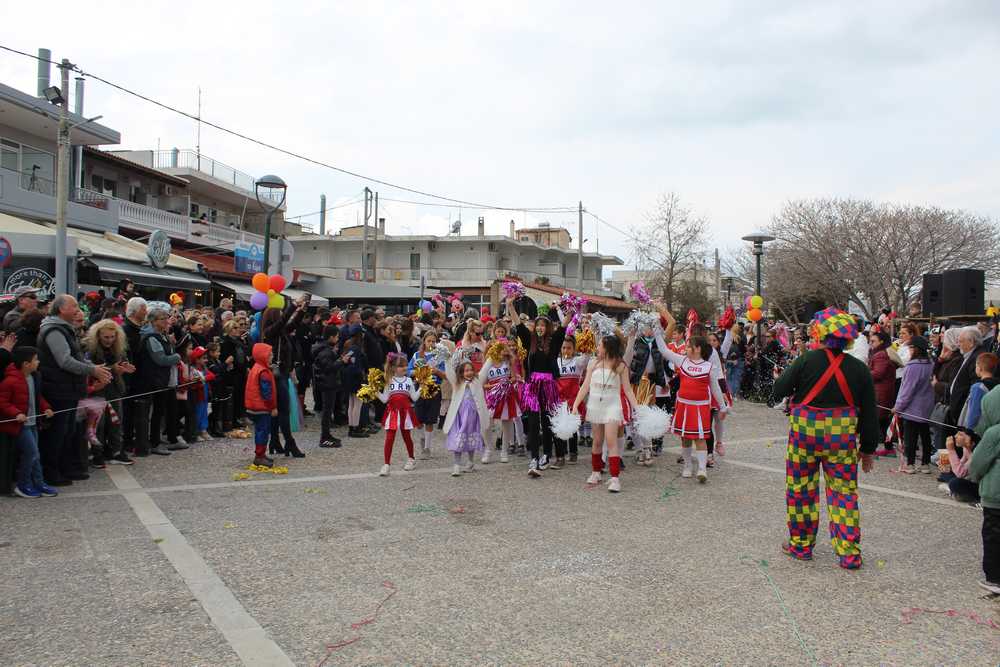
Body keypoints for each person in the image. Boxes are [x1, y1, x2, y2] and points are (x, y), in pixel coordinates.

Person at [771, 307, 879, 570]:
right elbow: (869, 413)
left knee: (800, 489)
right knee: (844, 492)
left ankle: (801, 545)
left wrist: (780, 378)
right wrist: (867, 449)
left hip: (804, 438)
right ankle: (849, 553)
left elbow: (778, 391)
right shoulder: (859, 369)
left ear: (820, 333)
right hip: (841, 440)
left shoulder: (805, 360)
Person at [37, 295, 113, 485]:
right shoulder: (54, 330)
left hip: (68, 388)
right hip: (58, 389)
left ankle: (66, 468)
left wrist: (94, 367)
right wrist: (92, 370)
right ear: (61, 309)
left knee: (68, 431)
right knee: (57, 433)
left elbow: (76, 357)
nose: (78, 309)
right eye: (74, 306)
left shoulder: (65, 328)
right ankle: (52, 472)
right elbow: (64, 361)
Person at [659, 310, 728, 483]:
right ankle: (688, 465)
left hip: (701, 407)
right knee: (685, 437)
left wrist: (722, 406)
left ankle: (702, 469)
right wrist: (656, 332)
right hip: (684, 405)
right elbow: (663, 350)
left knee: (700, 437)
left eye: (689, 346)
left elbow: (715, 388)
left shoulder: (708, 367)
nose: (686, 349)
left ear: (698, 349)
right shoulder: (682, 360)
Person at [506, 296, 568, 477]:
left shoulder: (554, 342)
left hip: (548, 385)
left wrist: (570, 309)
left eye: (543, 325)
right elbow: (518, 325)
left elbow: (564, 326)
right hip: (532, 385)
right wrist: (510, 305)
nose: (540, 328)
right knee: (533, 422)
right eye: (538, 325)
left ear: (548, 328)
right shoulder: (529, 340)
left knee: (547, 421)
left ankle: (547, 455)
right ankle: (534, 457)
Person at [574, 334, 638, 493]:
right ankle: (596, 472)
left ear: (607, 348)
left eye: (600, 345)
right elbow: (585, 386)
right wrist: (575, 405)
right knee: (597, 441)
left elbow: (628, 390)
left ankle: (615, 478)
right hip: (595, 405)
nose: (597, 348)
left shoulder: (621, 366)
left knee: (611, 441)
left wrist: (638, 407)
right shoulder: (593, 363)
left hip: (612, 406)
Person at [0, 346, 57, 498]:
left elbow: (37, 397)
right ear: (26, 364)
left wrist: (46, 407)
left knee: (35, 454)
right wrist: (16, 413)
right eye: (36, 360)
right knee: (31, 453)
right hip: (20, 426)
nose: (38, 362)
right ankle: (23, 485)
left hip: (32, 423)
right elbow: (2, 402)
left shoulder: (33, 377)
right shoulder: (10, 381)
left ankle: (39, 483)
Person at [81, 319, 135, 467]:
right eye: (106, 337)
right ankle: (97, 454)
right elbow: (90, 369)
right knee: (98, 424)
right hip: (96, 389)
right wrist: (113, 368)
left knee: (116, 421)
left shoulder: (118, 347)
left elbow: (121, 362)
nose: (109, 340)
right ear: (98, 335)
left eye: (112, 337)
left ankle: (116, 451)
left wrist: (124, 366)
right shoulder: (88, 348)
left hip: (114, 388)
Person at [260, 300, 307, 458]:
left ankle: (274, 441)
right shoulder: (270, 332)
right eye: (279, 314)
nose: (282, 317)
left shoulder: (280, 332)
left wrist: (302, 310)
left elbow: (293, 324)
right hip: (276, 374)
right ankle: (290, 443)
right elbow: (283, 322)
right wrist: (292, 306)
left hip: (282, 373)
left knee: (278, 410)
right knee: (284, 410)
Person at [136, 307, 181, 457]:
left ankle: (156, 439)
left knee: (159, 411)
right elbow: (160, 359)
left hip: (161, 379)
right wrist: (176, 357)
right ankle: (154, 442)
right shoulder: (151, 337)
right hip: (153, 380)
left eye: (166, 318)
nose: (166, 321)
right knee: (155, 412)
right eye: (163, 319)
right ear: (153, 321)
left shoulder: (161, 335)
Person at [968, 386, 1000, 594]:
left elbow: (978, 463)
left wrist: (975, 477)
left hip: (995, 494)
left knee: (993, 534)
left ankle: (994, 578)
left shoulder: (994, 433)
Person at [443, 357, 492, 477]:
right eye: (466, 370)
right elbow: (449, 373)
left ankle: (470, 462)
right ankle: (456, 465)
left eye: (471, 370)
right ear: (461, 373)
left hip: (472, 418)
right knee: (458, 440)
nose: (469, 372)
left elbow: (485, 369)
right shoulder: (457, 383)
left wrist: (491, 357)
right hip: (460, 418)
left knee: (471, 439)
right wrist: (447, 360)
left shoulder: (477, 381)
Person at [893, 335, 935, 474]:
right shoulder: (930, 363)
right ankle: (925, 463)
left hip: (912, 406)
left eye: (910, 347)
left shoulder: (912, 366)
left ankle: (910, 464)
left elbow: (907, 389)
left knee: (910, 436)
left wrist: (898, 406)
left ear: (916, 349)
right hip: (927, 404)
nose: (909, 350)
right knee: (925, 435)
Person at [377, 353, 421, 477]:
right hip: (392, 413)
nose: (405, 368)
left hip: (405, 413)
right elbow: (384, 399)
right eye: (401, 366)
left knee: (407, 436)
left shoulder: (409, 380)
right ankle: (386, 464)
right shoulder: (389, 381)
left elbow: (414, 398)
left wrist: (422, 386)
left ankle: (411, 459)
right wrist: (374, 391)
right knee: (389, 438)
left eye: (406, 365)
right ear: (393, 368)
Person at [409, 331, 446, 460]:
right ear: (424, 341)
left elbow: (445, 375)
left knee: (430, 420)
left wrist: (437, 371)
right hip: (420, 388)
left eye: (433, 341)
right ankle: (423, 438)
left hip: (434, 389)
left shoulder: (439, 357)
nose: (431, 343)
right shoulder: (417, 355)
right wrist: (418, 371)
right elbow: (408, 371)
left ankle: (427, 448)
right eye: (429, 341)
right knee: (418, 419)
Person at [556, 336, 589, 465]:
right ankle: (562, 451)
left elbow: (586, 358)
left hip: (574, 398)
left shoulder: (577, 361)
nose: (566, 350)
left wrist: (587, 340)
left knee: (573, 426)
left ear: (574, 349)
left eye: (569, 348)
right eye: (564, 348)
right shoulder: (557, 361)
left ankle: (573, 452)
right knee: (560, 425)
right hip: (560, 399)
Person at [312, 324, 345, 448]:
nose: (338, 339)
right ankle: (324, 437)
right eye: (337, 336)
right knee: (327, 411)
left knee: (328, 410)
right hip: (327, 384)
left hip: (328, 383)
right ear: (331, 337)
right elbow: (328, 368)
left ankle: (327, 435)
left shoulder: (326, 349)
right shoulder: (325, 351)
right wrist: (341, 361)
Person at [245, 343, 278, 467]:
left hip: (254, 406)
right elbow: (267, 393)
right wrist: (272, 407)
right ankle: (259, 456)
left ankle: (261, 454)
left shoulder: (256, 367)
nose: (272, 356)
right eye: (270, 354)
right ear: (263, 356)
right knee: (263, 431)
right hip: (261, 408)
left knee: (260, 430)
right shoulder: (263, 371)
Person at [867, 331, 897, 456]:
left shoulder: (880, 355)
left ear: (881, 342)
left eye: (873, 341)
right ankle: (888, 448)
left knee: (876, 421)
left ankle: (872, 448)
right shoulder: (881, 353)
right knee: (882, 422)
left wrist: (863, 373)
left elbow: (878, 373)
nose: (870, 343)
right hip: (882, 391)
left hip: (880, 393)